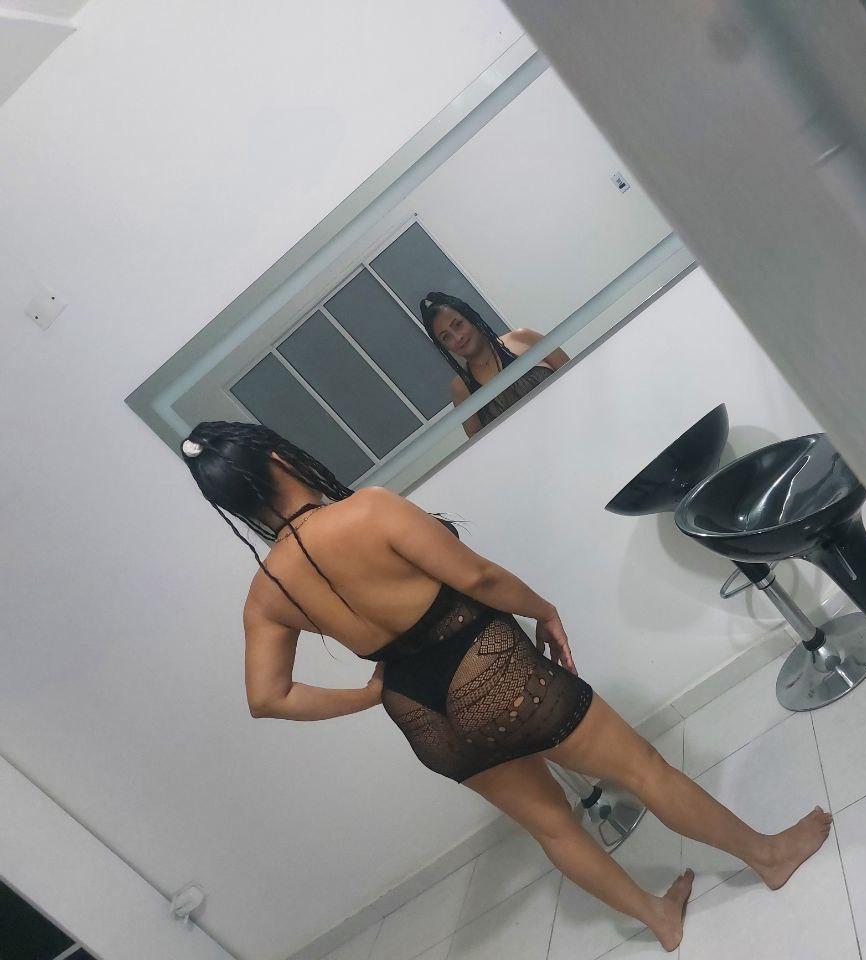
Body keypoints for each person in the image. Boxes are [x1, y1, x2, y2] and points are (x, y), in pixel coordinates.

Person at [181, 421, 832, 951]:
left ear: (233, 504)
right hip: (491, 672)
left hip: (424, 717)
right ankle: (767, 855)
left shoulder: (267, 593)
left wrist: (370, 694)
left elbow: (268, 698)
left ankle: (658, 918)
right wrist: (544, 610)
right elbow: (480, 579)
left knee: (554, 829)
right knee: (643, 770)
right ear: (277, 455)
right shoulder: (368, 511)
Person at [419, 292, 569, 437]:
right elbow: (480, 443)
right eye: (446, 337)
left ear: (470, 317)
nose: (458, 337)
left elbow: (574, 371)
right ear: (444, 346)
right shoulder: (461, 388)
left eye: (458, 324)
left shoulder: (522, 338)